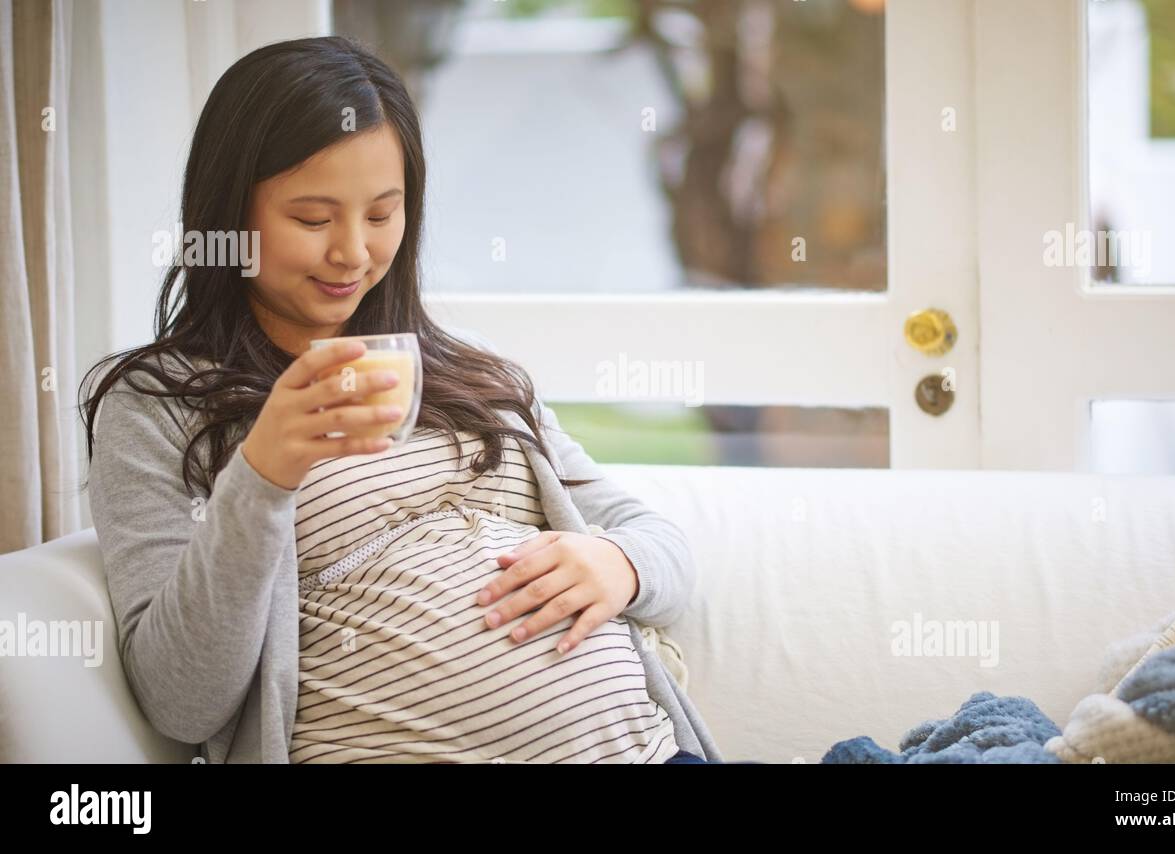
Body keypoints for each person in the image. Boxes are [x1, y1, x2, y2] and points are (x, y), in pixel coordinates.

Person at [80, 35, 720, 765]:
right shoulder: (156, 408)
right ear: (229, 214)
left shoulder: (468, 372)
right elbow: (180, 699)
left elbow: (658, 541)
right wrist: (261, 478)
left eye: (382, 214)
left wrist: (618, 563)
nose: (353, 252)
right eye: (313, 220)